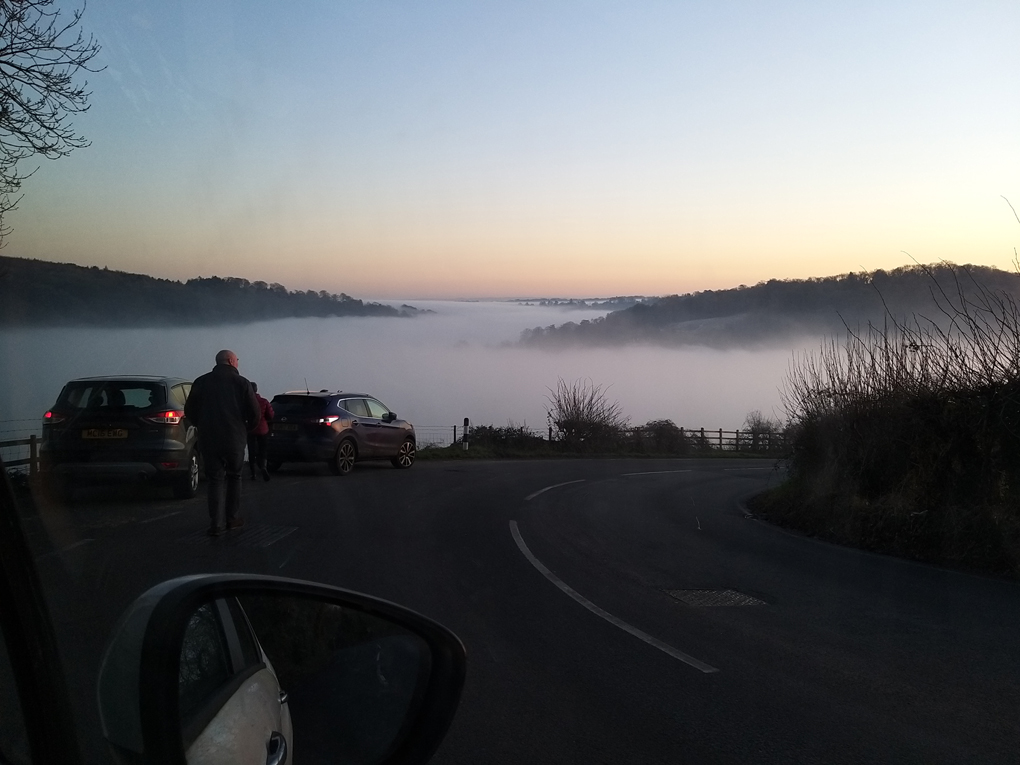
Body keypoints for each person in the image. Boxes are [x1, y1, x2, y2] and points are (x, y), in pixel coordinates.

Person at [184, 350, 261, 536]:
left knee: (215, 480)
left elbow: (189, 410)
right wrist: (247, 429)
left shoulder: (201, 382)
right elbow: (255, 413)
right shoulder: (242, 383)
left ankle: (215, 523)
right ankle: (232, 518)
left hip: (209, 438)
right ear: (231, 361)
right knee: (234, 476)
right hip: (234, 438)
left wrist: (200, 425)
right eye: (237, 360)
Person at [247, 382, 274, 481]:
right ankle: (263, 467)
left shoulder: (246, 402)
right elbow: (270, 415)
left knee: (251, 451)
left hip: (250, 429)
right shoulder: (264, 401)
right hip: (263, 429)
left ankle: (253, 473)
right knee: (263, 451)